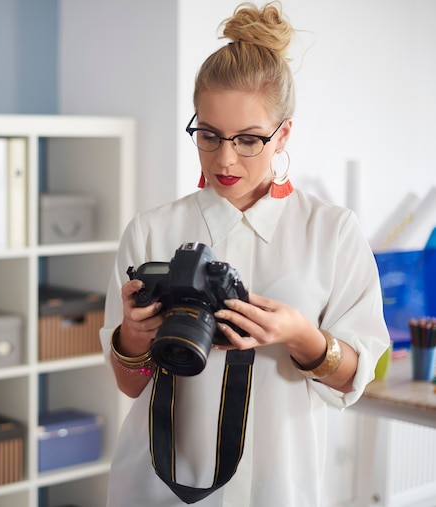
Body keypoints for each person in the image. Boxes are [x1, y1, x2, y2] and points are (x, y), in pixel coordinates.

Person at [99, 1, 390, 506]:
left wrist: (302, 337)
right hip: (156, 487)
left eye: (250, 140)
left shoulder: (333, 232)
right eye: (208, 135)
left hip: (277, 490)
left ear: (284, 135)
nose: (225, 158)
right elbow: (129, 386)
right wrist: (132, 337)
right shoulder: (151, 231)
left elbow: (354, 382)